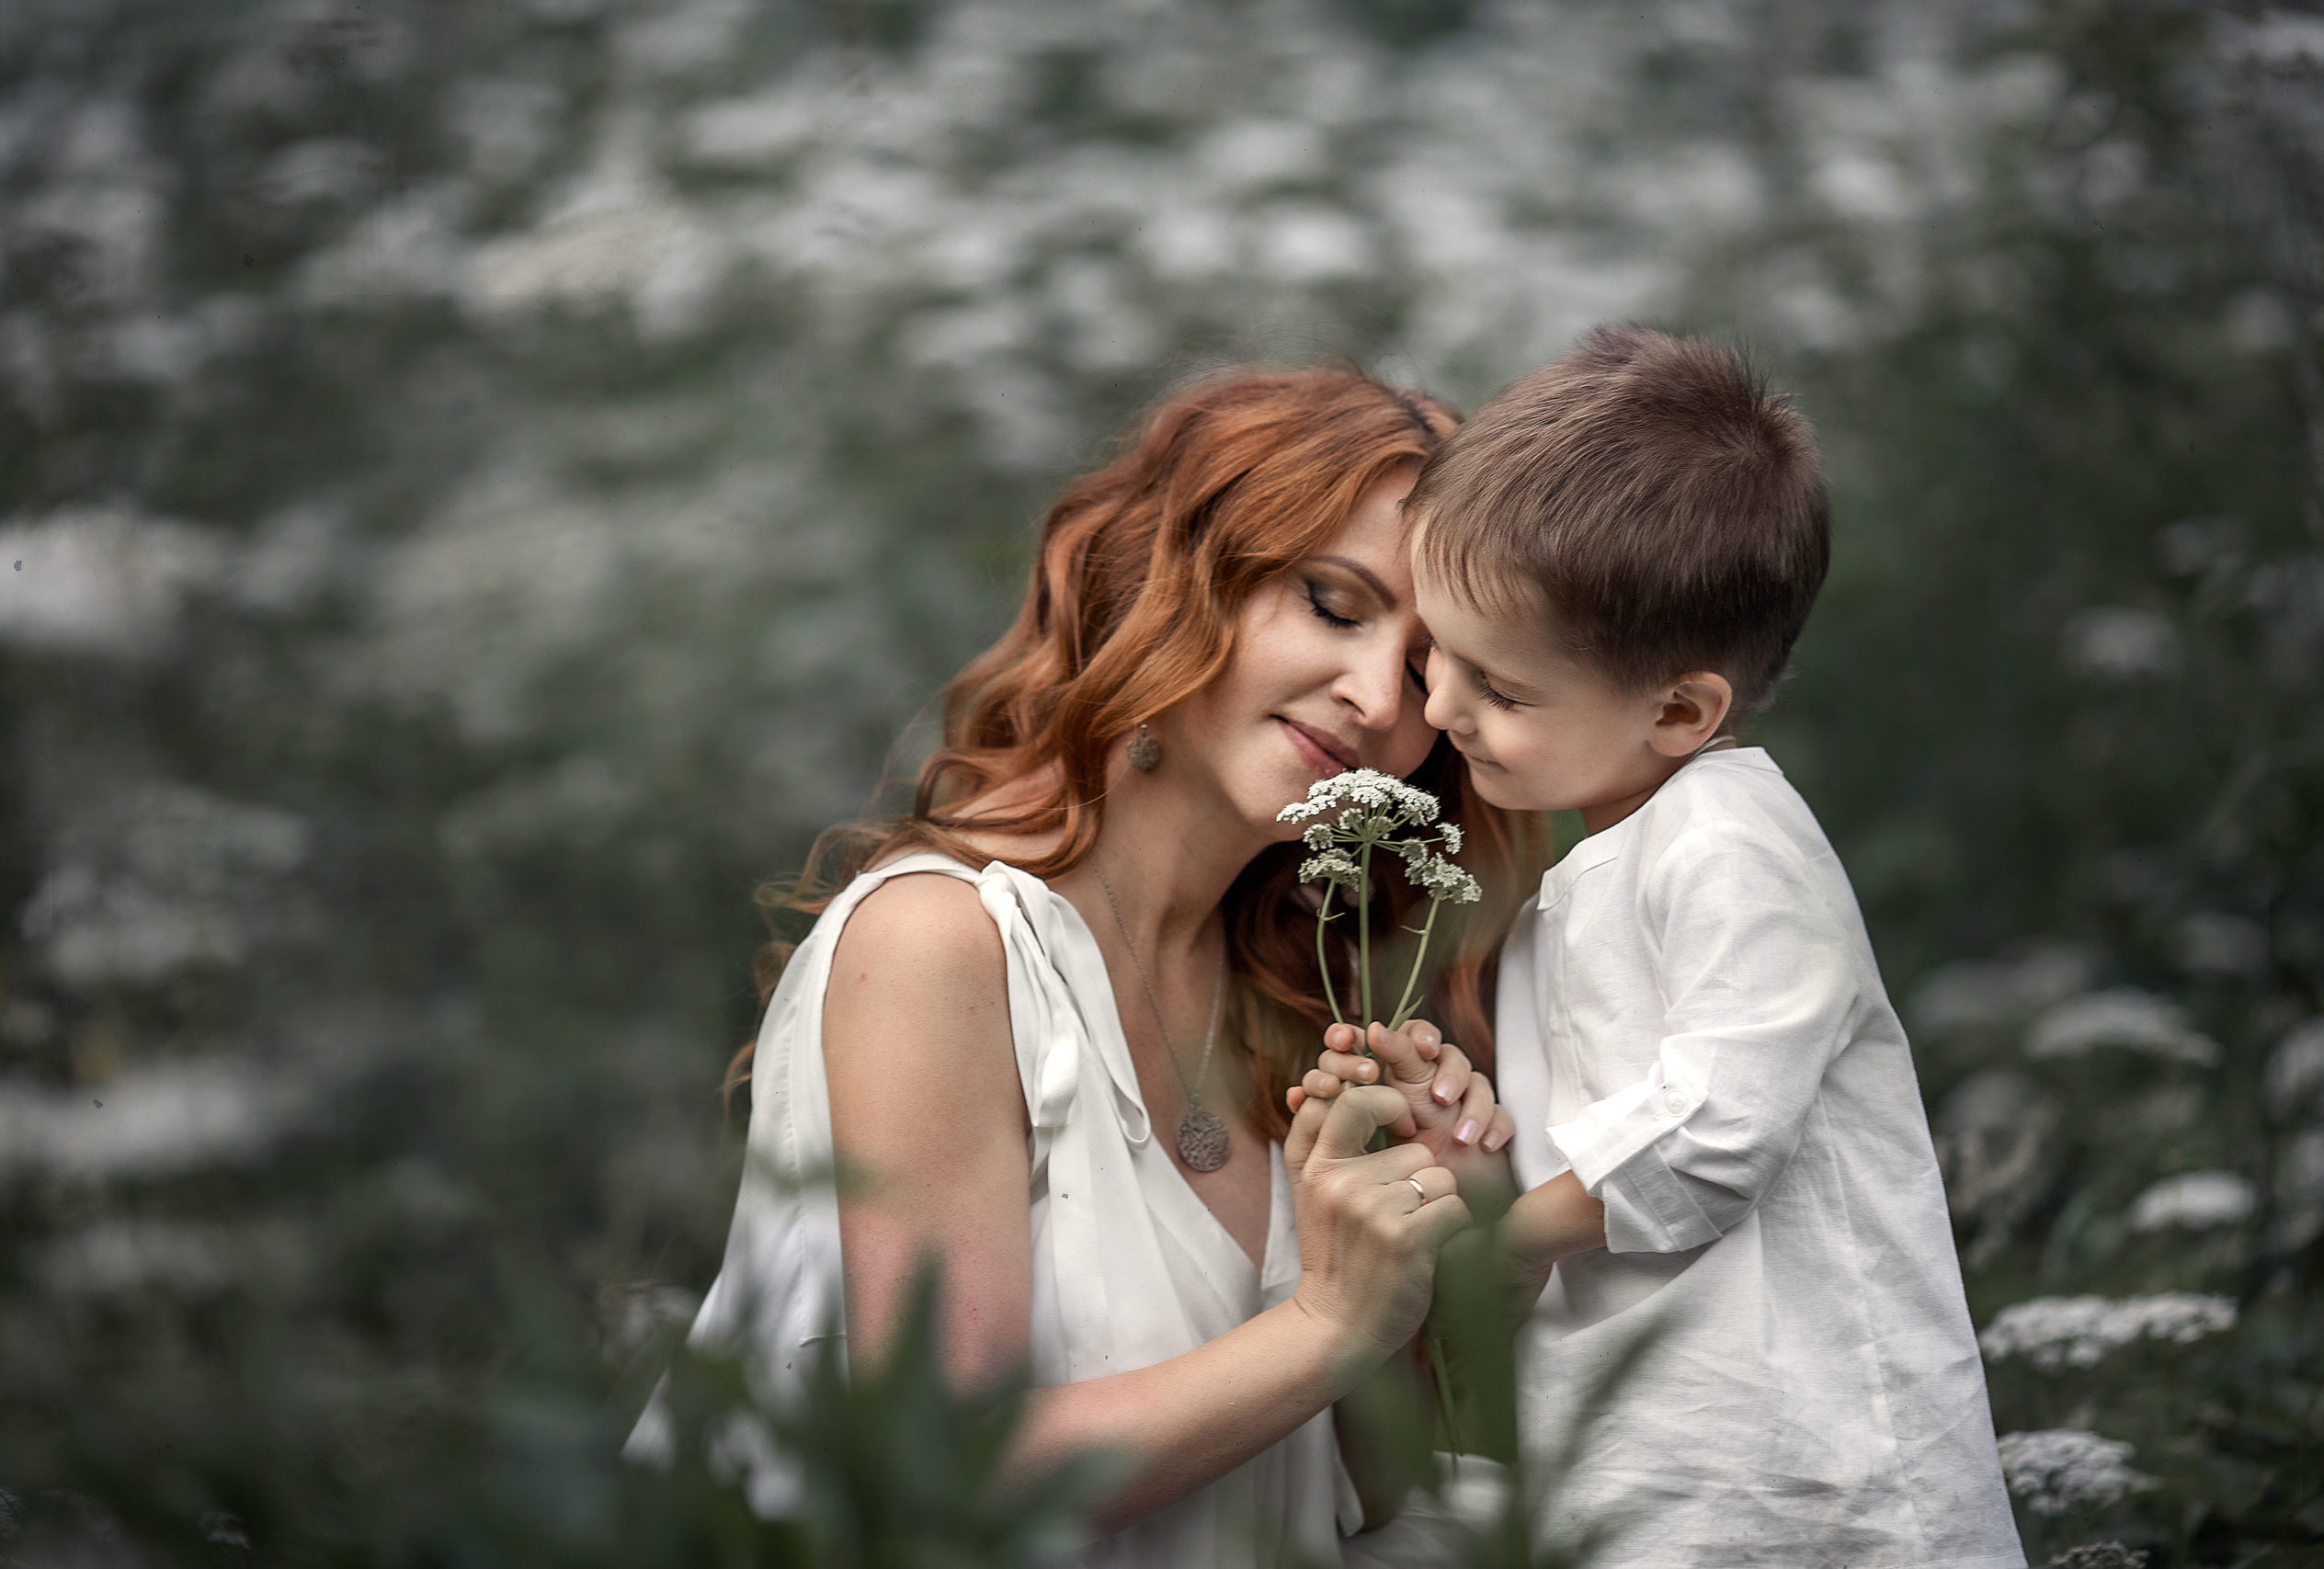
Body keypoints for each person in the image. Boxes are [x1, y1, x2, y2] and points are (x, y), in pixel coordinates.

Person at [632, 368, 1543, 1565]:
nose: (1380, 698)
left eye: (1429, 666)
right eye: (1332, 603)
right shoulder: (940, 946)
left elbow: (1340, 1508)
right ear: (1180, 582)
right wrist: (1324, 1321)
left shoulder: (1297, 1011)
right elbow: (936, 1479)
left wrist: (1445, 1262)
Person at [1297, 329, 2025, 1566]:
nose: (1435, 710)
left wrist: (1509, 1244)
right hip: (1655, 1469)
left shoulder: (1733, 841)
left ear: (1682, 710)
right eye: (1439, 661)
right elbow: (1591, 1145)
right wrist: (1462, 1137)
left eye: (1503, 691)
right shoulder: (1576, 884)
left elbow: (1718, 1126)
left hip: (1818, 1478)